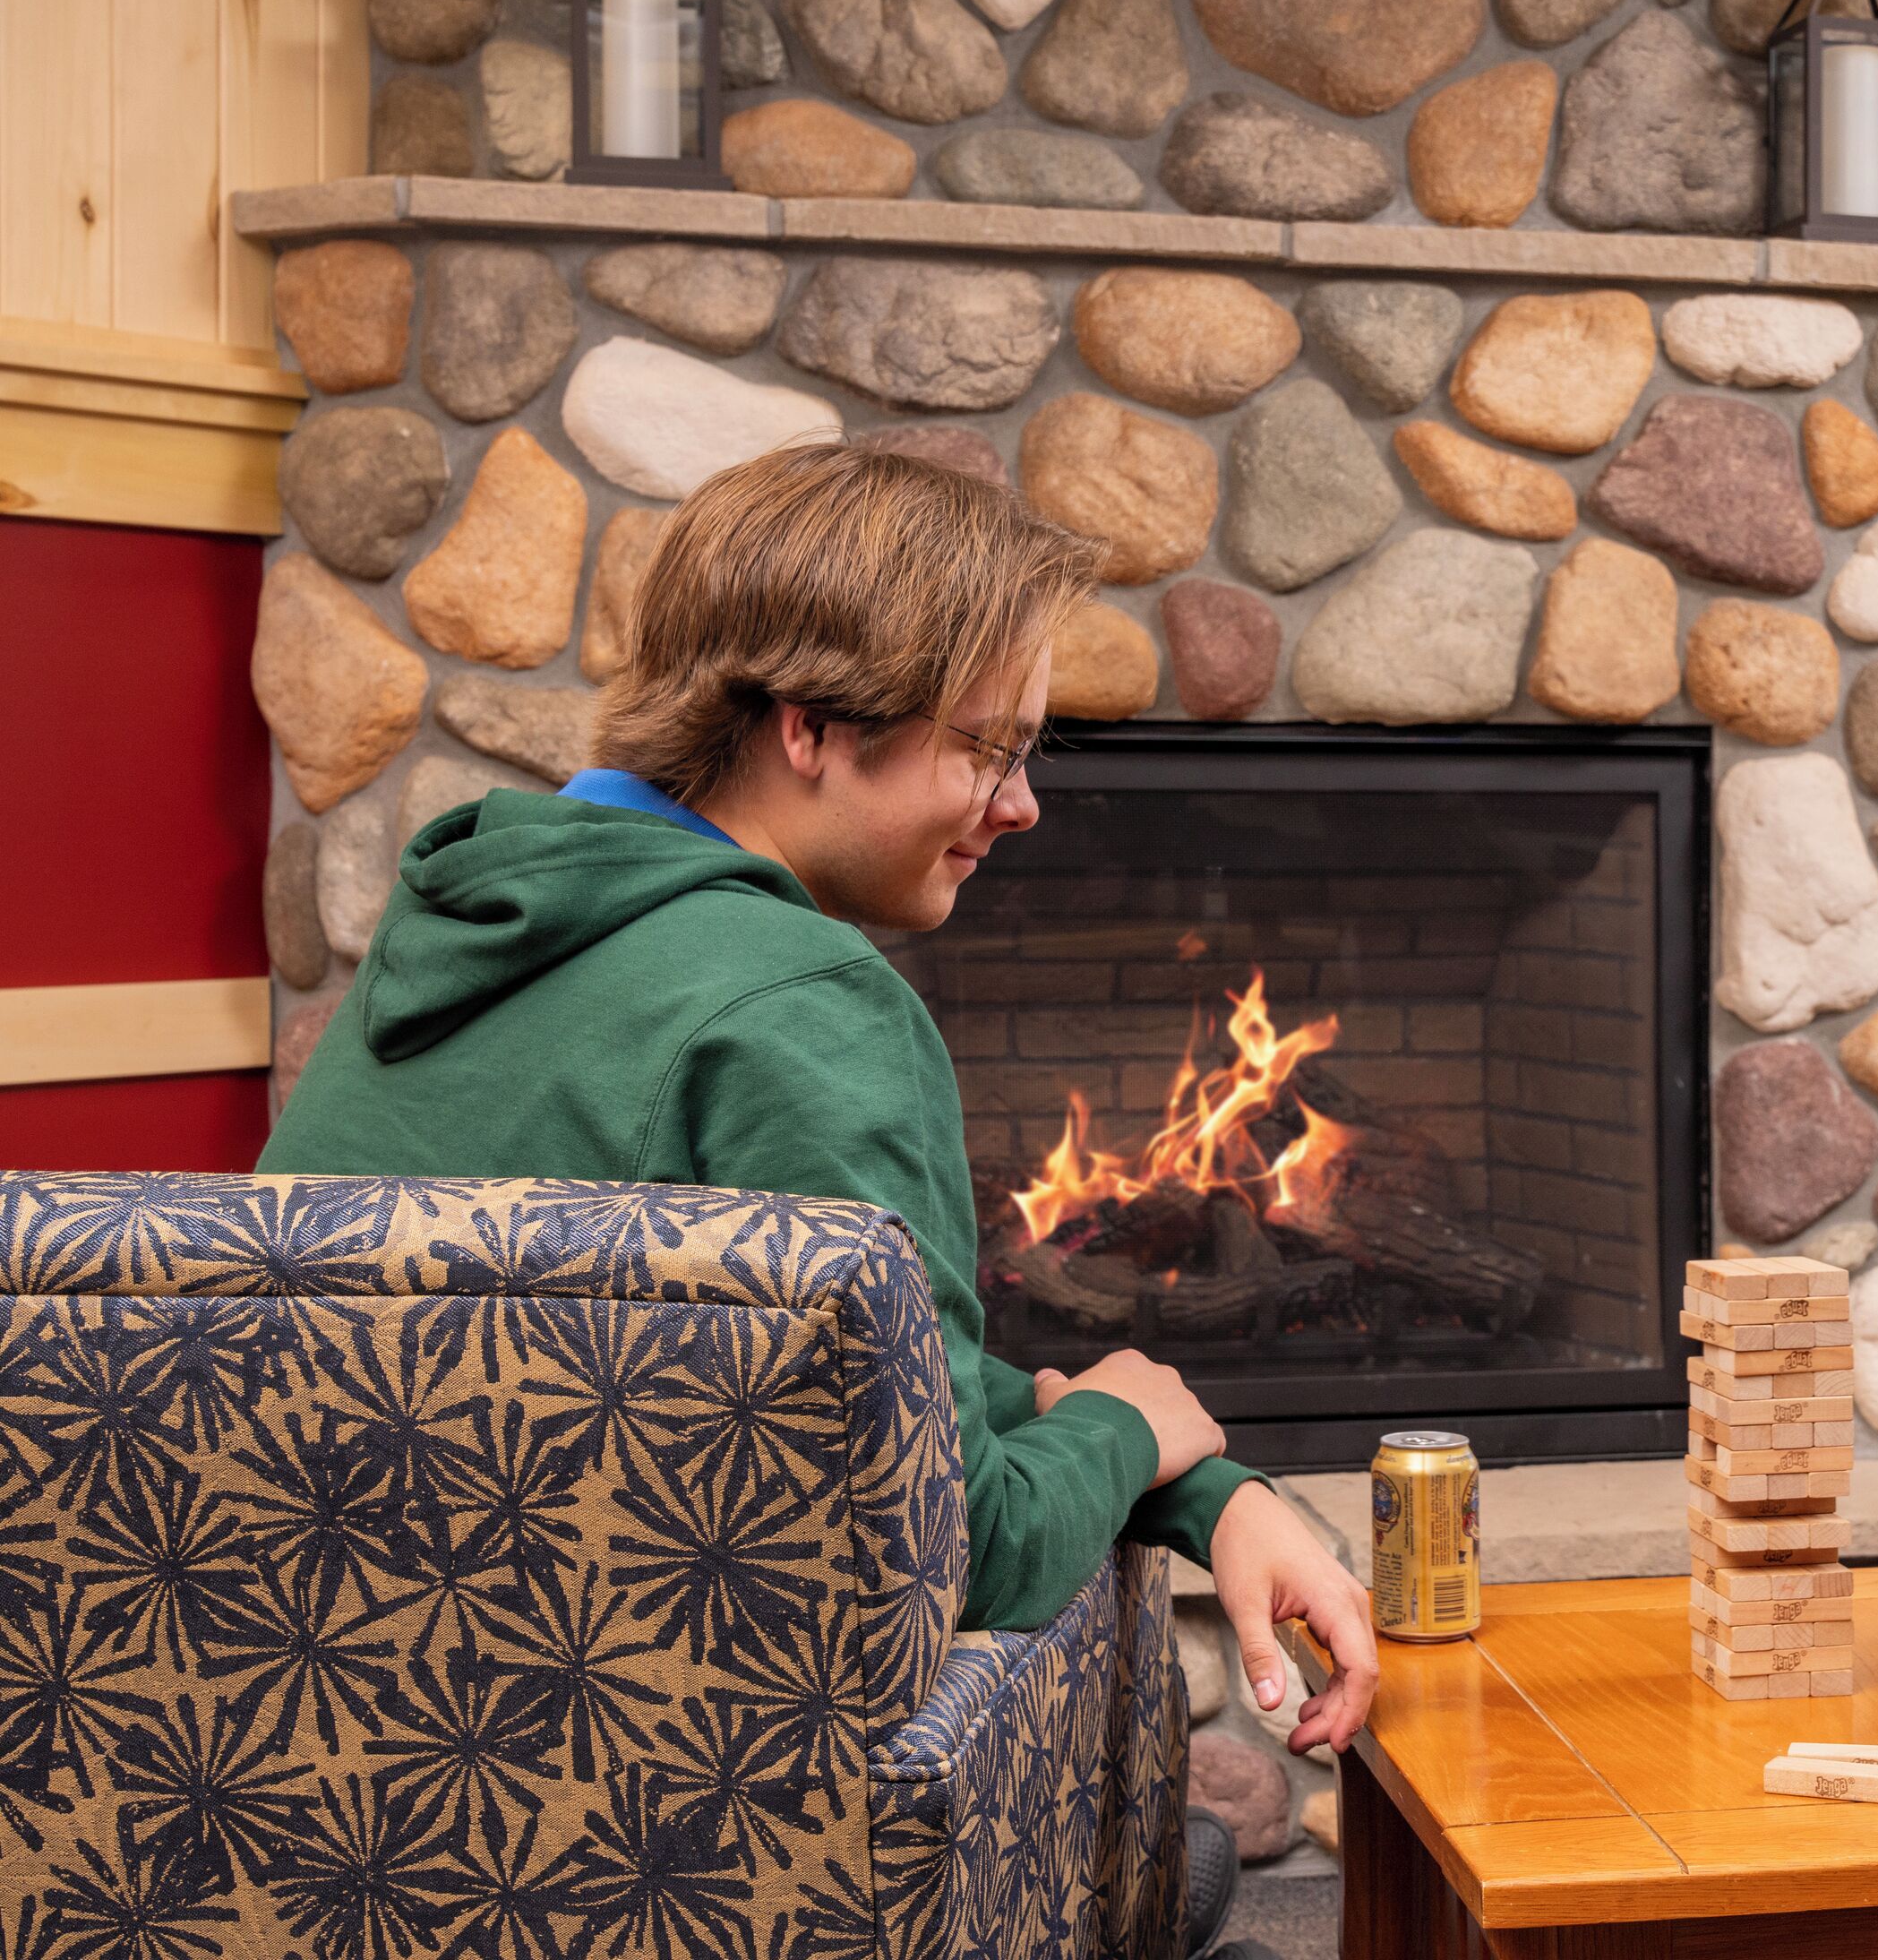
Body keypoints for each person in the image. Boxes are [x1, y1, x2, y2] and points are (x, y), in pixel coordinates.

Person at [262, 446, 1380, 1778]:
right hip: (633, 1787)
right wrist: (1132, 1420)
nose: (1023, 805)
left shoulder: (471, 926)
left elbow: (847, 1378)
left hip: (326, 1735)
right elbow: (959, 1547)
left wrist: (1204, 1490)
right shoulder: (804, 1006)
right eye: (989, 749)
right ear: (811, 729)